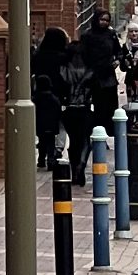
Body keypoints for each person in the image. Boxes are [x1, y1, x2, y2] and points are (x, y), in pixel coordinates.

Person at [79, 9, 126, 134]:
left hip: (109, 75)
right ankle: (98, 131)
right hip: (94, 75)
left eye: (107, 20)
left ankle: (110, 130)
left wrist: (117, 60)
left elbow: (119, 51)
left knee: (111, 106)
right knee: (98, 106)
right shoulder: (87, 35)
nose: (104, 23)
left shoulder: (111, 34)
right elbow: (82, 55)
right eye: (102, 20)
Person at [56, 43, 97, 184]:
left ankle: (74, 170)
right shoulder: (90, 70)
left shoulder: (63, 70)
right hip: (86, 108)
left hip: (68, 109)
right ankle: (81, 165)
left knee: (73, 141)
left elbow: (59, 90)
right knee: (85, 140)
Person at [30, 28, 70, 168]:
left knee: (42, 124)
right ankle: (58, 148)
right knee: (60, 123)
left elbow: (32, 71)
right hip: (60, 94)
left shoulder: (38, 55)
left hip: (41, 93)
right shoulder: (64, 56)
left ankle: (42, 152)